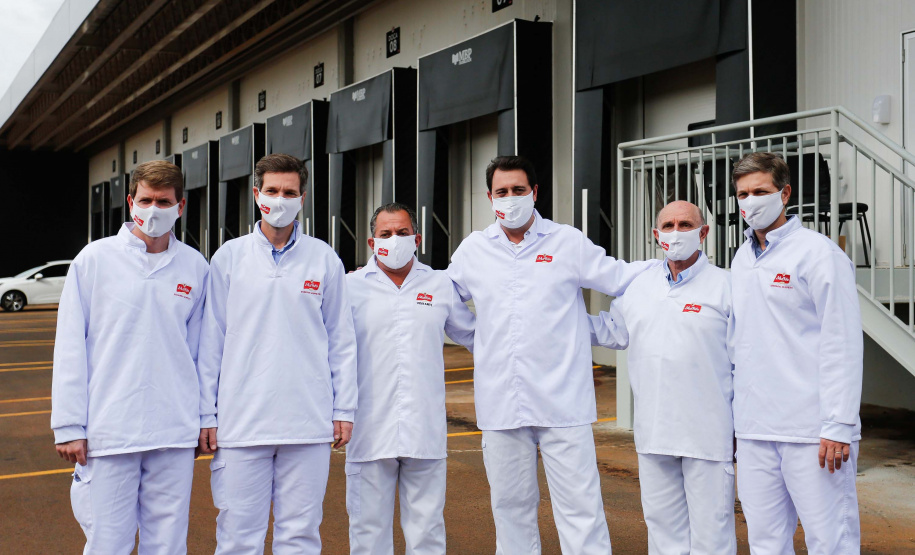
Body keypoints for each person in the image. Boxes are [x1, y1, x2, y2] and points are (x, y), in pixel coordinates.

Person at [446, 155, 654, 554]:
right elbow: (446, 300)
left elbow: (619, 277)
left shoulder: (566, 242)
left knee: (580, 509)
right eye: (502, 192)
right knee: (510, 508)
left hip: (564, 402)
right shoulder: (474, 250)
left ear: (535, 192)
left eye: (518, 190)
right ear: (490, 197)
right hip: (502, 403)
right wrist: (482, 340)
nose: (510, 198)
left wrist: (674, 267)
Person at [197, 153, 357, 554]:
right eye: (272, 191)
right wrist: (206, 414)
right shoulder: (229, 257)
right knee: (238, 537)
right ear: (257, 194)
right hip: (240, 424)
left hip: (308, 422)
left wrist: (344, 409)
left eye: (289, 192)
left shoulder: (324, 258)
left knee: (300, 536)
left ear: (302, 198)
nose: (280, 200)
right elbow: (211, 342)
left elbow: (341, 340)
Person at [52, 160, 208, 553]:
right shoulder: (94, 260)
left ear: (180, 206)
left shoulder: (195, 266)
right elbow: (70, 345)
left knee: (168, 544)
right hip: (110, 429)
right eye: (146, 200)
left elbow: (203, 354)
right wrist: (69, 424)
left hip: (173, 430)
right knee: (108, 542)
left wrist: (205, 418)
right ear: (130, 202)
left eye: (164, 201)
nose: (154, 209)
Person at [729, 152, 862, 554]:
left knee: (831, 540)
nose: (750, 201)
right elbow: (738, 342)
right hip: (754, 429)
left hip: (812, 431)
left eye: (760, 191)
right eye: (742, 194)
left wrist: (838, 424)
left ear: (785, 194)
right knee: (765, 541)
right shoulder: (741, 258)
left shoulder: (819, 255)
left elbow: (842, 341)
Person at [589, 200, 736, 555]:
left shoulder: (726, 286)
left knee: (712, 536)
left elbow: (744, 362)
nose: (676, 232)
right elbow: (613, 330)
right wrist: (553, 314)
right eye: (668, 226)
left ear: (703, 232)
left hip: (708, 434)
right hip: (654, 431)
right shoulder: (640, 286)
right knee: (662, 532)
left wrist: (742, 426)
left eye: (686, 225)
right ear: (657, 235)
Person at [345, 202, 475, 555]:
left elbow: (477, 337)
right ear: (372, 242)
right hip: (369, 430)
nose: (394, 239)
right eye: (385, 233)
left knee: (427, 532)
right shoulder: (350, 287)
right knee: (367, 533)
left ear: (417, 239)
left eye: (402, 232)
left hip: (424, 429)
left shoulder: (439, 284)